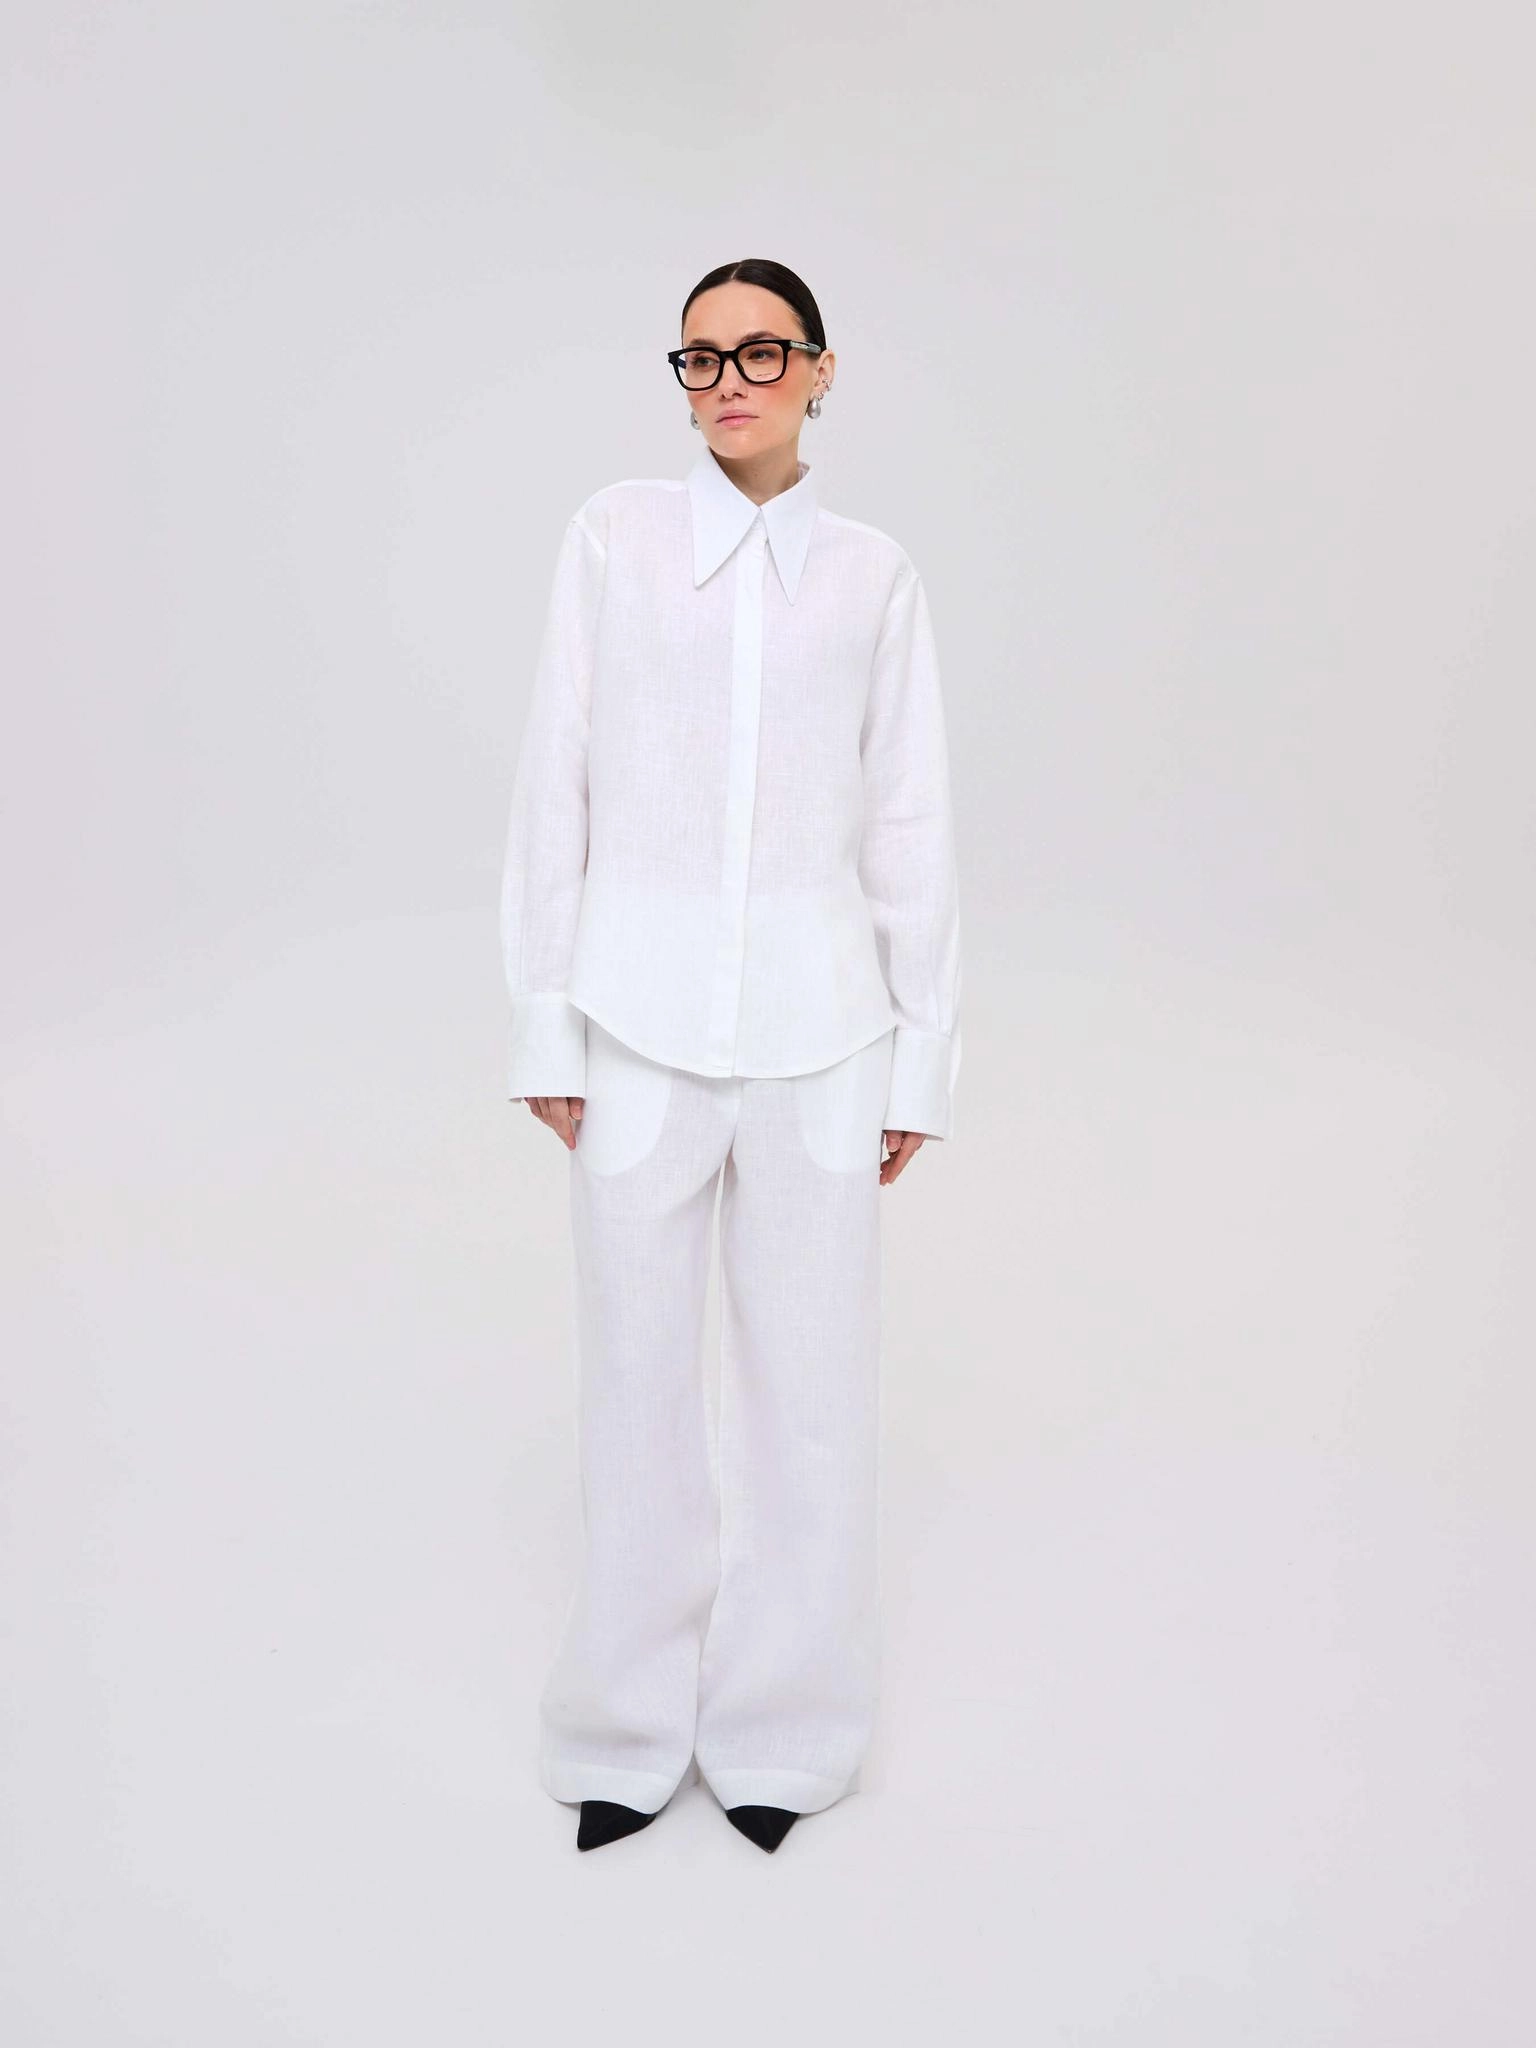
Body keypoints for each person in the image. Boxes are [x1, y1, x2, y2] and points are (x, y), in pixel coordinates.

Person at [499, 257, 962, 1854]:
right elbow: (553, 778)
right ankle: (622, 1734)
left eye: (762, 353)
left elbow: (911, 820)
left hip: (826, 1039)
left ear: (822, 371)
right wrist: (544, 1016)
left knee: (809, 1396)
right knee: (635, 1384)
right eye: (700, 359)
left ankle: (786, 1735)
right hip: (632, 1027)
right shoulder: (612, 540)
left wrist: (921, 1057)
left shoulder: (875, 576)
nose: (729, 382)